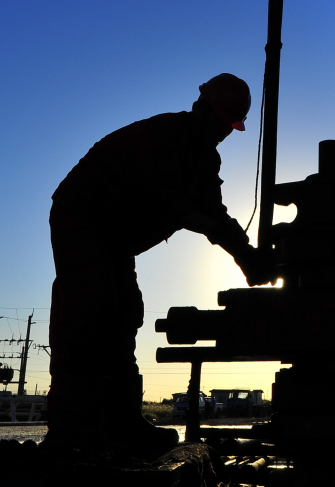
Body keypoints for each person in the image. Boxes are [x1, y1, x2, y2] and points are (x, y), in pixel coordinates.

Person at [45, 73, 264, 456]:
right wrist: (233, 245)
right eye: (223, 124)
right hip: (82, 217)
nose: (225, 134)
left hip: (115, 236)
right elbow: (172, 204)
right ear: (203, 110)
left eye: (231, 128)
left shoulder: (204, 157)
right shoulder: (165, 136)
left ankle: (122, 422)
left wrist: (248, 255)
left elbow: (214, 213)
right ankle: (74, 428)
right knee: (92, 310)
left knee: (126, 312)